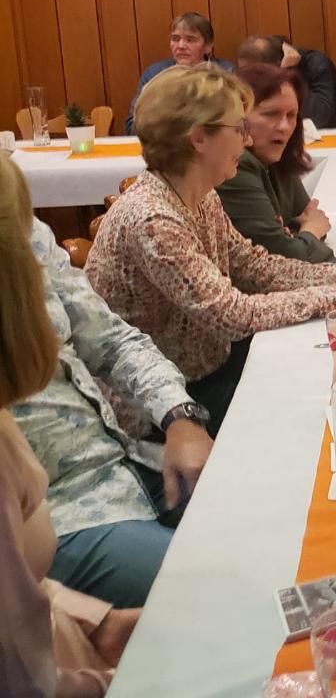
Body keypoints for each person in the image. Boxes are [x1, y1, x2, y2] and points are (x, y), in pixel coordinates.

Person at [86, 66, 336, 433]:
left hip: (207, 366)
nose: (248, 140)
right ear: (198, 138)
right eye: (238, 129)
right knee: (315, 408)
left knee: (333, 374)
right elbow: (233, 315)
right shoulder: (154, 220)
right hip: (160, 406)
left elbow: (254, 266)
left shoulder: (200, 195)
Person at [8, 153, 210, 611]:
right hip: (58, 515)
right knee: (205, 592)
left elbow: (112, 340)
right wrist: (79, 619)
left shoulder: (23, 232)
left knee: (273, 514)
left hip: (125, 463)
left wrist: (180, 416)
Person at [0, 153, 145, 694]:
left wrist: (96, 623)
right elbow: (26, 682)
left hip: (117, 461)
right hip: (87, 506)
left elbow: (18, 597)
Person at [217, 63, 336, 264]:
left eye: (291, 115)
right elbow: (283, 257)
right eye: (271, 114)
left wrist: (299, 234)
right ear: (238, 117)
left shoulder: (275, 156)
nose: (284, 126)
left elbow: (304, 215)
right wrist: (310, 231)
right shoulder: (235, 165)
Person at [124, 12, 233, 134]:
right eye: (175, 39)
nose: (181, 46)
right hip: (166, 143)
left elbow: (236, 121)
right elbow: (132, 126)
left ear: (208, 46)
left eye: (190, 40)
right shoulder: (154, 74)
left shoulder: (228, 73)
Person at [234, 35, 336, 129]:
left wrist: (289, 74)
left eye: (255, 73)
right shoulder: (248, 72)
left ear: (276, 65)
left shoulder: (317, 64)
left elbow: (318, 118)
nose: (249, 79)